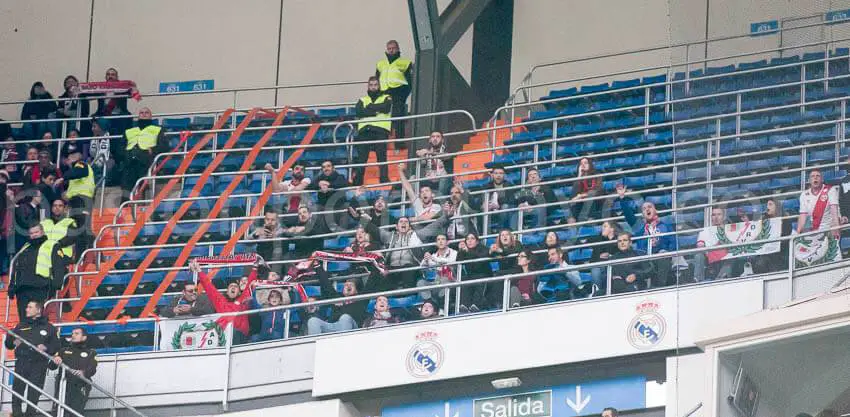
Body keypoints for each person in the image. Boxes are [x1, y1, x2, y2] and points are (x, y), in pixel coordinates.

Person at [362, 208, 449, 290]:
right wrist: (361, 218)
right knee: (379, 274)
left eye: (406, 222)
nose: (403, 223)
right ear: (396, 227)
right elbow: (374, 229)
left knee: (408, 267)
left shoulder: (417, 235)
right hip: (392, 269)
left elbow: (434, 226)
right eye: (401, 222)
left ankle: (407, 292)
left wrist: (446, 216)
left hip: (411, 269)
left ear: (410, 227)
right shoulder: (389, 236)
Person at [5, 300, 59, 417]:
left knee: (34, 393)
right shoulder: (21, 325)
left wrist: (46, 347)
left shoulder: (50, 328)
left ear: (38, 310)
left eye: (30, 307)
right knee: (17, 391)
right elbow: (9, 345)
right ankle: (17, 414)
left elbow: (56, 346)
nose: (26, 309)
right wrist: (11, 338)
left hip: (39, 364)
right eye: (27, 307)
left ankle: (30, 414)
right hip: (22, 362)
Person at [617, 183, 675, 288]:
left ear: (655, 210)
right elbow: (628, 215)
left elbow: (673, 242)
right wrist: (622, 198)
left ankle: (659, 288)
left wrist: (667, 251)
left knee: (662, 258)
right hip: (644, 259)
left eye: (650, 207)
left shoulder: (665, 226)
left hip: (660, 257)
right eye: (644, 209)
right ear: (642, 214)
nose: (647, 209)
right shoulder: (639, 227)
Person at [190, 259, 258, 345]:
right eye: (231, 286)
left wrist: (255, 268)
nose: (233, 288)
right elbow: (208, 286)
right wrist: (199, 271)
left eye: (235, 287)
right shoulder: (221, 301)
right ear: (227, 291)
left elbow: (250, 284)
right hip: (223, 335)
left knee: (233, 332)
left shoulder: (243, 300)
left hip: (239, 335)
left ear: (239, 292)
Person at [9, 224, 67, 320]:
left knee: (39, 318)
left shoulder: (52, 245)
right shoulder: (25, 247)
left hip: (41, 287)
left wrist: (56, 285)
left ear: (42, 232)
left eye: (36, 232)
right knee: (24, 319)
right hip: (22, 288)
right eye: (31, 233)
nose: (34, 235)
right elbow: (16, 267)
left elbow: (59, 266)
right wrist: (12, 285)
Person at [307, 263, 369, 335]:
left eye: (351, 285)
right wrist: (317, 266)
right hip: (334, 326)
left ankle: (343, 345)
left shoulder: (361, 298)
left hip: (352, 329)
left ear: (356, 290)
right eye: (346, 285)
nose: (348, 286)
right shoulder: (337, 297)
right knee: (313, 321)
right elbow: (326, 284)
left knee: (345, 318)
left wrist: (379, 267)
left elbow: (371, 283)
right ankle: (315, 345)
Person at [119, 107, 166, 200]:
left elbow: (164, 146)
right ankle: (125, 209)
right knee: (126, 186)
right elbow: (120, 147)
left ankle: (140, 208)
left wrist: (152, 150)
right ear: (138, 116)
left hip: (146, 159)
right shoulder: (129, 131)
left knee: (142, 184)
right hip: (130, 159)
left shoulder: (157, 129)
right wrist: (125, 154)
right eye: (141, 112)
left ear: (151, 116)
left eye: (146, 112)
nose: (144, 114)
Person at [352, 77, 391, 185]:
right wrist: (375, 111)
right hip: (364, 130)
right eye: (371, 85)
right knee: (362, 158)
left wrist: (369, 107)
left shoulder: (386, 97)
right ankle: (358, 182)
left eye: (375, 85)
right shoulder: (362, 99)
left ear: (379, 86)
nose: (373, 87)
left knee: (381, 156)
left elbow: (386, 108)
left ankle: (384, 180)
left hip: (380, 130)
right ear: (368, 86)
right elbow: (359, 112)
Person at [49, 327, 97, 415]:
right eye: (72, 334)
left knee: (76, 412)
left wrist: (83, 372)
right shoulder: (63, 351)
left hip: (80, 385)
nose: (73, 335)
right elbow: (51, 367)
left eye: (76, 333)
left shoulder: (91, 352)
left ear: (84, 337)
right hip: (64, 386)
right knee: (58, 412)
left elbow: (92, 369)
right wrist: (55, 359)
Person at [693, 207, 746, 282]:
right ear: (711, 217)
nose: (716, 217)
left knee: (732, 254)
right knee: (699, 255)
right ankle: (698, 280)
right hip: (710, 259)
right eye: (714, 215)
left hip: (726, 258)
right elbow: (700, 246)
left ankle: (721, 279)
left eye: (719, 214)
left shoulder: (730, 229)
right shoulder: (704, 231)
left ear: (724, 217)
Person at [376, 40, 413, 137]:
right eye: (389, 49)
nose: (391, 51)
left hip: (398, 91)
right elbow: (376, 80)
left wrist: (404, 95)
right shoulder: (381, 64)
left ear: (398, 49)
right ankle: (382, 140)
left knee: (398, 116)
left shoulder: (405, 63)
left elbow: (410, 81)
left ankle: (399, 142)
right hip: (384, 92)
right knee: (382, 116)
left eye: (393, 48)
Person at [752, 198, 792, 274]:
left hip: (780, 252)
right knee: (759, 262)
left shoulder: (785, 220)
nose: (767, 207)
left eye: (770, 204)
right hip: (766, 252)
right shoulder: (764, 219)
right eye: (767, 205)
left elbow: (785, 238)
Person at [457, 233, 494, 312]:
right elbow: (458, 261)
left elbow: (480, 260)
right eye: (467, 239)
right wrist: (460, 251)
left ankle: (477, 305)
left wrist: (468, 252)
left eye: (472, 238)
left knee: (479, 280)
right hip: (471, 275)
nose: (469, 241)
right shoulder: (464, 250)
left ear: (477, 241)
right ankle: (464, 305)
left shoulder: (483, 248)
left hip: (484, 274)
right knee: (463, 280)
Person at [798, 169, 840, 238]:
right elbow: (803, 215)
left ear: (822, 180)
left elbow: (834, 211)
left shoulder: (831, 190)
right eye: (812, 176)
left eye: (818, 176)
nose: (815, 178)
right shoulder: (804, 195)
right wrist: (798, 233)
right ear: (809, 181)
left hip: (828, 230)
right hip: (812, 231)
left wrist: (836, 227)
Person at [417, 233, 457, 302]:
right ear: (436, 243)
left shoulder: (454, 253)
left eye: (443, 239)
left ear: (447, 242)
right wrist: (425, 260)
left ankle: (442, 303)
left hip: (450, 281)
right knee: (420, 283)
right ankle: (430, 302)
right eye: (438, 240)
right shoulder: (434, 255)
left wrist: (434, 259)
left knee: (445, 280)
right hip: (436, 283)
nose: (440, 241)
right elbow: (421, 268)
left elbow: (450, 262)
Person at [587, 221, 620, 293]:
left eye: (605, 226)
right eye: (602, 226)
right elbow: (594, 259)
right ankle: (596, 293)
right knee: (596, 270)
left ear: (612, 229)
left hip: (614, 267)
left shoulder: (619, 240)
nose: (602, 228)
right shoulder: (599, 240)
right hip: (599, 266)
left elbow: (621, 255)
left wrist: (610, 255)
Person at [481, 165, 515, 231]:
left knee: (505, 207)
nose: (498, 175)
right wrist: (483, 205)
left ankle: (501, 231)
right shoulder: (486, 186)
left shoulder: (509, 185)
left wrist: (498, 205)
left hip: (504, 210)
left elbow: (511, 200)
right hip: (490, 211)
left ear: (504, 175)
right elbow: (480, 201)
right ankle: (485, 233)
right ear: (492, 175)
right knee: (483, 209)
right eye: (496, 173)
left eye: (501, 173)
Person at [88, 118, 117, 187]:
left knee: (110, 162)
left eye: (94, 126)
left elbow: (116, 153)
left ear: (102, 127)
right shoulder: (94, 138)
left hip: (109, 161)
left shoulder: (112, 136)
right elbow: (92, 154)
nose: (92, 129)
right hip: (95, 160)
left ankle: (99, 186)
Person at [13, 188, 42, 252]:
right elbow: (23, 222)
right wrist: (38, 224)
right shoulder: (23, 207)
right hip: (23, 239)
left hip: (33, 238)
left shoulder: (39, 208)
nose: (41, 198)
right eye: (39, 196)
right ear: (33, 197)